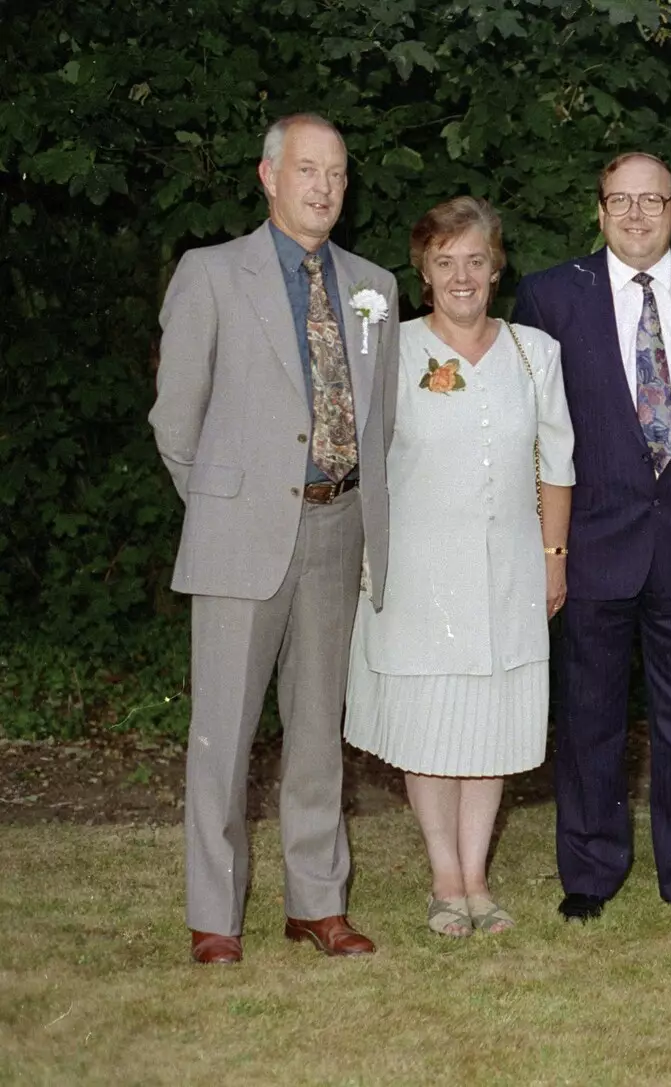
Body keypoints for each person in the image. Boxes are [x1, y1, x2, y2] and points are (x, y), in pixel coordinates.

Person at [150, 113, 397, 964]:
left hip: (338, 527)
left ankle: (316, 902)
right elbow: (175, 421)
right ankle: (215, 918)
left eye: (335, 172)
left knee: (318, 731)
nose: (324, 186)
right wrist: (230, 505)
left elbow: (381, 422)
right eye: (306, 170)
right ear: (269, 177)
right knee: (222, 734)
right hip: (240, 538)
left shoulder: (375, 286)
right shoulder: (212, 273)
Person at [511, 153, 671, 928]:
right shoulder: (551, 298)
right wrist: (546, 548)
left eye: (653, 200)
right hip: (592, 544)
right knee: (590, 716)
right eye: (622, 200)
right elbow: (533, 436)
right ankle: (589, 870)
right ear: (600, 209)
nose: (638, 215)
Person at [344, 197, 575, 938]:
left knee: (492, 725)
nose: (462, 275)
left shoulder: (535, 353)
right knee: (432, 727)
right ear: (423, 273)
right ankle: (445, 879)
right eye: (445, 262)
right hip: (418, 571)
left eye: (476, 259)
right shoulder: (394, 351)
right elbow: (365, 460)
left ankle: (479, 877)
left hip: (510, 565)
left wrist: (553, 558)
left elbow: (558, 466)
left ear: (497, 266)